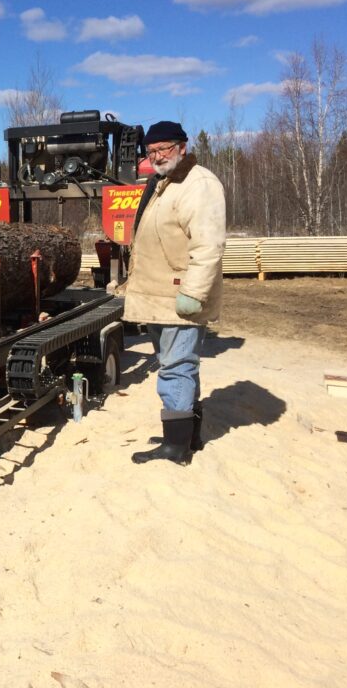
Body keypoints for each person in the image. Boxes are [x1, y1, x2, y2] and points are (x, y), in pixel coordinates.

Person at [122, 121, 226, 465]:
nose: (157, 157)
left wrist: (194, 293)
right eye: (151, 152)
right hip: (159, 296)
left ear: (182, 147)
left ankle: (175, 447)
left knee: (175, 368)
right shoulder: (165, 183)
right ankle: (186, 435)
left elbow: (208, 245)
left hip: (180, 296)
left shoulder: (199, 184)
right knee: (180, 366)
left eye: (164, 149)